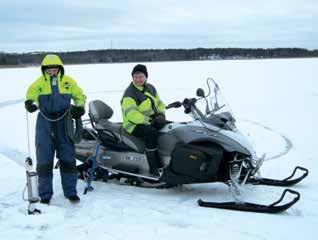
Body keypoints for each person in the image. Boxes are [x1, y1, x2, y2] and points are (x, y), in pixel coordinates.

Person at [25, 54, 86, 204]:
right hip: (44, 121)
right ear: (44, 70)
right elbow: (31, 94)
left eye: (54, 69)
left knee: (68, 156)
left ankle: (71, 192)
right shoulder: (39, 83)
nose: (52, 72)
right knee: (44, 157)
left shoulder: (68, 81)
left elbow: (79, 95)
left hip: (64, 121)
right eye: (49, 70)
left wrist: (80, 107)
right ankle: (45, 194)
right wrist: (30, 102)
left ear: (59, 69)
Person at [121, 64, 166, 176]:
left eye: (141, 76)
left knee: (168, 128)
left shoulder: (150, 88)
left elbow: (160, 103)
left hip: (151, 119)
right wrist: (150, 121)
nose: (138, 79)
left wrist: (161, 114)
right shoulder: (130, 93)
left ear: (146, 77)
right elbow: (132, 114)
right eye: (135, 77)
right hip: (133, 125)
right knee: (151, 133)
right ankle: (153, 166)